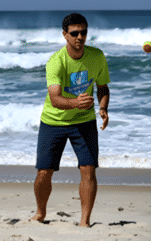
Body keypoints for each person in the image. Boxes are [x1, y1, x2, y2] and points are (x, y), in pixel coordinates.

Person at [32, 13, 110, 227]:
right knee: (44, 172)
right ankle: (40, 212)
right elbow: (55, 99)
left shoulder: (97, 56)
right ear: (65, 35)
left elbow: (102, 87)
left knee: (88, 169)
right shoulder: (56, 61)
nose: (80, 37)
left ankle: (85, 221)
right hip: (54, 121)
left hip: (84, 121)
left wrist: (102, 108)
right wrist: (76, 103)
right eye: (74, 33)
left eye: (83, 32)